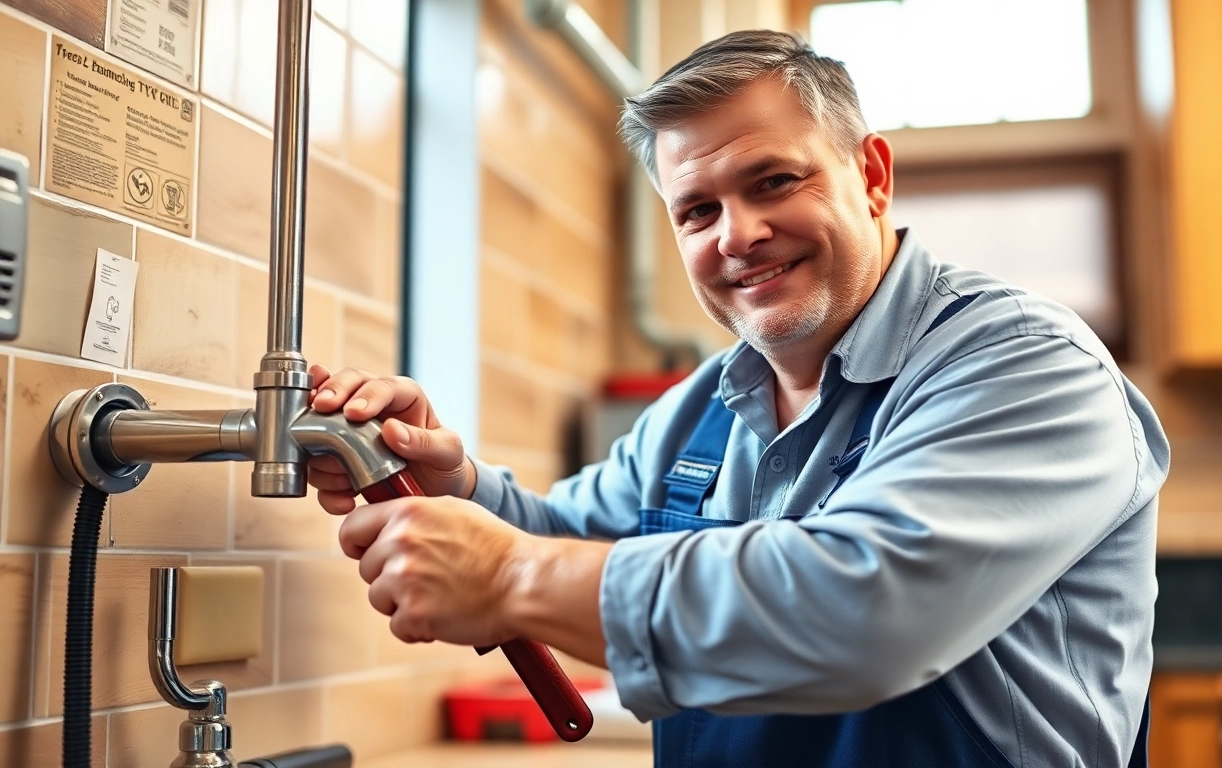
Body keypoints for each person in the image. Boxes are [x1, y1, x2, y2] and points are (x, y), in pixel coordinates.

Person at [307, 30, 1169, 768]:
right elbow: (568, 537)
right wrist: (449, 485)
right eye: (695, 211)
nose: (737, 236)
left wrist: (508, 574)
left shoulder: (1021, 365)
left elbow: (866, 614)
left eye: (772, 182)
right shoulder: (698, 412)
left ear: (871, 175)